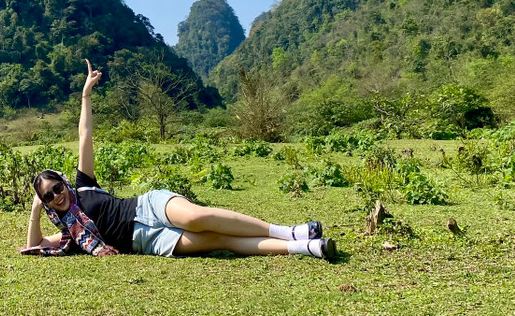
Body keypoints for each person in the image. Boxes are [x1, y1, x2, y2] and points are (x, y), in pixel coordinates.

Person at [21, 60, 337, 260]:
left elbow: (85, 138)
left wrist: (86, 97)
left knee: (197, 218)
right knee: (218, 239)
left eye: (56, 187)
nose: (56, 195)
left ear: (64, 181)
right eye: (47, 195)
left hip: (146, 206)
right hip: (149, 240)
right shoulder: (70, 236)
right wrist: (35, 211)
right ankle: (304, 247)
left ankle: (289, 230)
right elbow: (35, 245)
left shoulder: (84, 187)